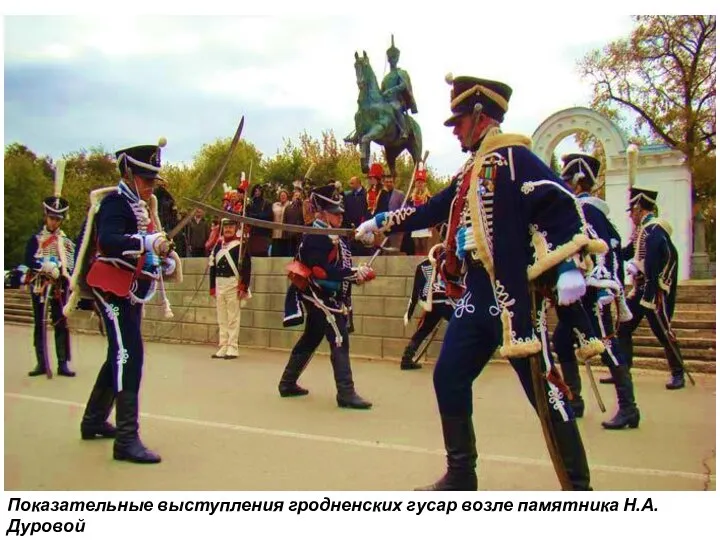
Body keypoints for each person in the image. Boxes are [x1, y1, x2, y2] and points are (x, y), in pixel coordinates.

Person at [356, 75, 605, 490]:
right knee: (448, 375)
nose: (454, 131)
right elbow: (432, 208)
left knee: (546, 395)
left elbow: (559, 204)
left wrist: (566, 268)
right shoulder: (470, 170)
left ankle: (580, 489)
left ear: (479, 116)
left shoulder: (515, 158)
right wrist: (380, 222)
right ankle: (461, 474)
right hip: (476, 293)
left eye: (458, 122)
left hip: (513, 298)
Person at [66, 138, 183, 463]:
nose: (150, 186)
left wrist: (165, 259)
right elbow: (110, 241)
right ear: (130, 174)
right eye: (146, 180)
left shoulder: (143, 208)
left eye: (153, 180)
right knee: (129, 352)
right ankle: (126, 438)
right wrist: (147, 241)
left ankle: (92, 420)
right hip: (110, 285)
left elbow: (149, 253)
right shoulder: (116, 203)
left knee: (119, 351)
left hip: (130, 286)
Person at [552, 154, 640, 429]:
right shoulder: (595, 212)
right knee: (563, 340)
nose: (564, 185)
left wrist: (597, 285)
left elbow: (592, 251)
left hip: (593, 291)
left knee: (607, 344)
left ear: (578, 182)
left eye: (567, 180)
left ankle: (629, 407)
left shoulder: (585, 211)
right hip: (583, 293)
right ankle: (575, 399)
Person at [279, 184, 375, 410]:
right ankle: (346, 392)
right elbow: (321, 271)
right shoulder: (315, 236)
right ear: (321, 213)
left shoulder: (336, 235)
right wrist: (353, 274)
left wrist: (358, 270)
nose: (340, 216)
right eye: (335, 212)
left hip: (328, 293)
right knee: (339, 337)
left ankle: (287, 382)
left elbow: (340, 265)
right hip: (315, 293)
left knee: (311, 337)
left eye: (340, 212)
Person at [615, 187, 688, 390]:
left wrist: (638, 266)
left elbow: (659, 257)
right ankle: (623, 371)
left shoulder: (654, 230)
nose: (630, 216)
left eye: (632, 211)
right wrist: (609, 248)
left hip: (653, 291)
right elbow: (627, 252)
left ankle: (678, 373)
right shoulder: (641, 231)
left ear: (639, 209)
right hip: (640, 290)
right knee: (623, 326)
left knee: (663, 331)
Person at [25, 163, 76, 378]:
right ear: (46, 217)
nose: (54, 222)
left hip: (58, 287)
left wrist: (62, 273)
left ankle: (62, 363)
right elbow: (28, 259)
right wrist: (43, 266)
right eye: (51, 217)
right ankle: (40, 362)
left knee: (60, 323)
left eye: (58, 218)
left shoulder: (65, 242)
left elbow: (71, 265)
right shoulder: (36, 239)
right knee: (39, 323)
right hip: (39, 284)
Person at [400, 243, 453, 370]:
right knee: (462, 326)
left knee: (423, 330)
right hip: (446, 300)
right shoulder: (450, 260)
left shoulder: (423, 265)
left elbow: (416, 290)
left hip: (432, 301)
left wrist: (410, 311)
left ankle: (406, 359)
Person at [209, 218, 252, 359]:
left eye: (231, 227)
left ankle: (233, 347)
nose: (228, 229)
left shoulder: (240, 246)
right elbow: (213, 267)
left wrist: (243, 286)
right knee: (222, 317)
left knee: (233, 317)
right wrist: (212, 287)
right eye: (226, 227)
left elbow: (246, 267)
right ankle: (223, 345)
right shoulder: (218, 246)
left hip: (233, 283)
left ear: (235, 228)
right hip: (219, 283)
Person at [380, 35, 418, 140]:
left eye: (394, 57)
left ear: (397, 59)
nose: (392, 60)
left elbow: (403, 85)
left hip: (397, 101)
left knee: (395, 108)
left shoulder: (401, 72)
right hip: (386, 103)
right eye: (391, 58)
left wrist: (391, 90)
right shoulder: (386, 78)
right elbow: (382, 91)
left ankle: (404, 130)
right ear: (388, 59)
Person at [342, 176, 371, 255]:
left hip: (362, 225)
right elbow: (345, 210)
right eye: (350, 183)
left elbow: (368, 210)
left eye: (352, 183)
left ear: (358, 183)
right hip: (350, 226)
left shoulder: (366, 195)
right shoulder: (348, 196)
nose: (350, 185)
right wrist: (349, 222)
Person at [410, 164, 433, 256]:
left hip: (425, 222)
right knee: (416, 244)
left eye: (421, 182)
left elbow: (431, 211)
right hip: (415, 222)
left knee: (424, 244)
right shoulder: (411, 198)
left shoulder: (428, 197)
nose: (419, 184)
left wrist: (431, 223)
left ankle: (425, 261)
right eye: (418, 182)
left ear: (424, 184)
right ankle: (417, 261)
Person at [245, 185, 273, 256]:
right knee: (252, 252)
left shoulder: (266, 203)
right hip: (253, 232)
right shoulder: (250, 203)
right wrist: (247, 209)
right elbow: (248, 217)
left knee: (262, 253)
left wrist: (256, 216)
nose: (257, 193)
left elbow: (269, 215)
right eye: (255, 191)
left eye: (258, 191)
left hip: (264, 233)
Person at [271, 189, 291, 257]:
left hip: (286, 234)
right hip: (275, 233)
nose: (283, 197)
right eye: (281, 195)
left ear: (287, 196)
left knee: (284, 254)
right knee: (275, 253)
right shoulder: (274, 205)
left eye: (284, 195)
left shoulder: (290, 205)